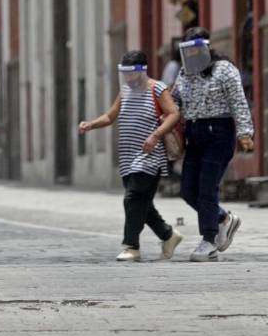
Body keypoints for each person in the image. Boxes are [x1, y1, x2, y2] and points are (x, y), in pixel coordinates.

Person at [79, 51, 184, 262]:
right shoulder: (125, 91)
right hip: (128, 157)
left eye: (131, 73)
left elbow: (173, 113)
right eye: (124, 73)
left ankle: (131, 246)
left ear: (142, 70)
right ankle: (168, 235)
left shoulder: (157, 88)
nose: (128, 77)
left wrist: (155, 135)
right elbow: (110, 116)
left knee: (133, 199)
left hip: (150, 156)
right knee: (141, 203)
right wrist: (91, 124)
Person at [174, 27, 255, 262]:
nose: (191, 55)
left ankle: (208, 241)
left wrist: (245, 133)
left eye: (195, 49)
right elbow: (175, 99)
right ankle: (223, 219)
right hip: (194, 133)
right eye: (186, 51)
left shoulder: (225, 70)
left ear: (206, 47)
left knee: (207, 187)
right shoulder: (183, 73)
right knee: (188, 190)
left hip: (219, 133)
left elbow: (238, 102)